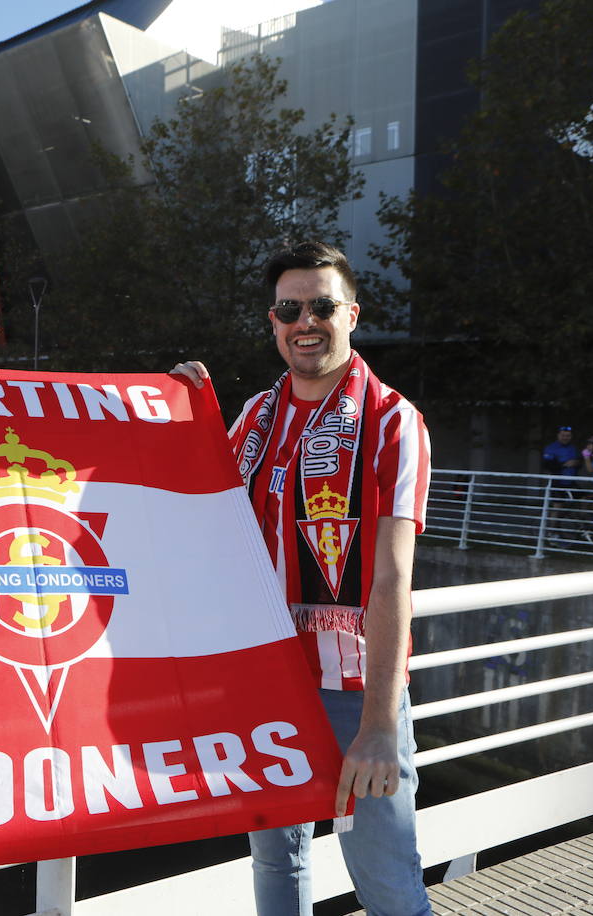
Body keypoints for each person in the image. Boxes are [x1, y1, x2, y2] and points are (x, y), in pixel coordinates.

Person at [173, 241, 431, 915]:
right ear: (274, 320)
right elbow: (197, 505)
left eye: (321, 305)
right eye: (290, 308)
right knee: (277, 864)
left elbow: (391, 580)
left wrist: (379, 724)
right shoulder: (255, 417)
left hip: (354, 697)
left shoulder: (392, 422)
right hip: (267, 684)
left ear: (351, 314)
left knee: (389, 886)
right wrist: (179, 409)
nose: (305, 321)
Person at [541, 426, 582, 539]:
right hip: (557, 482)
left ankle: (565, 528)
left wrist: (576, 463)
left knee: (577, 504)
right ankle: (552, 532)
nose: (565, 438)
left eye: (568, 436)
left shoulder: (573, 448)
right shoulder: (551, 448)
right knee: (557, 506)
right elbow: (548, 465)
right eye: (563, 435)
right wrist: (564, 464)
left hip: (572, 481)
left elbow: (580, 463)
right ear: (558, 435)